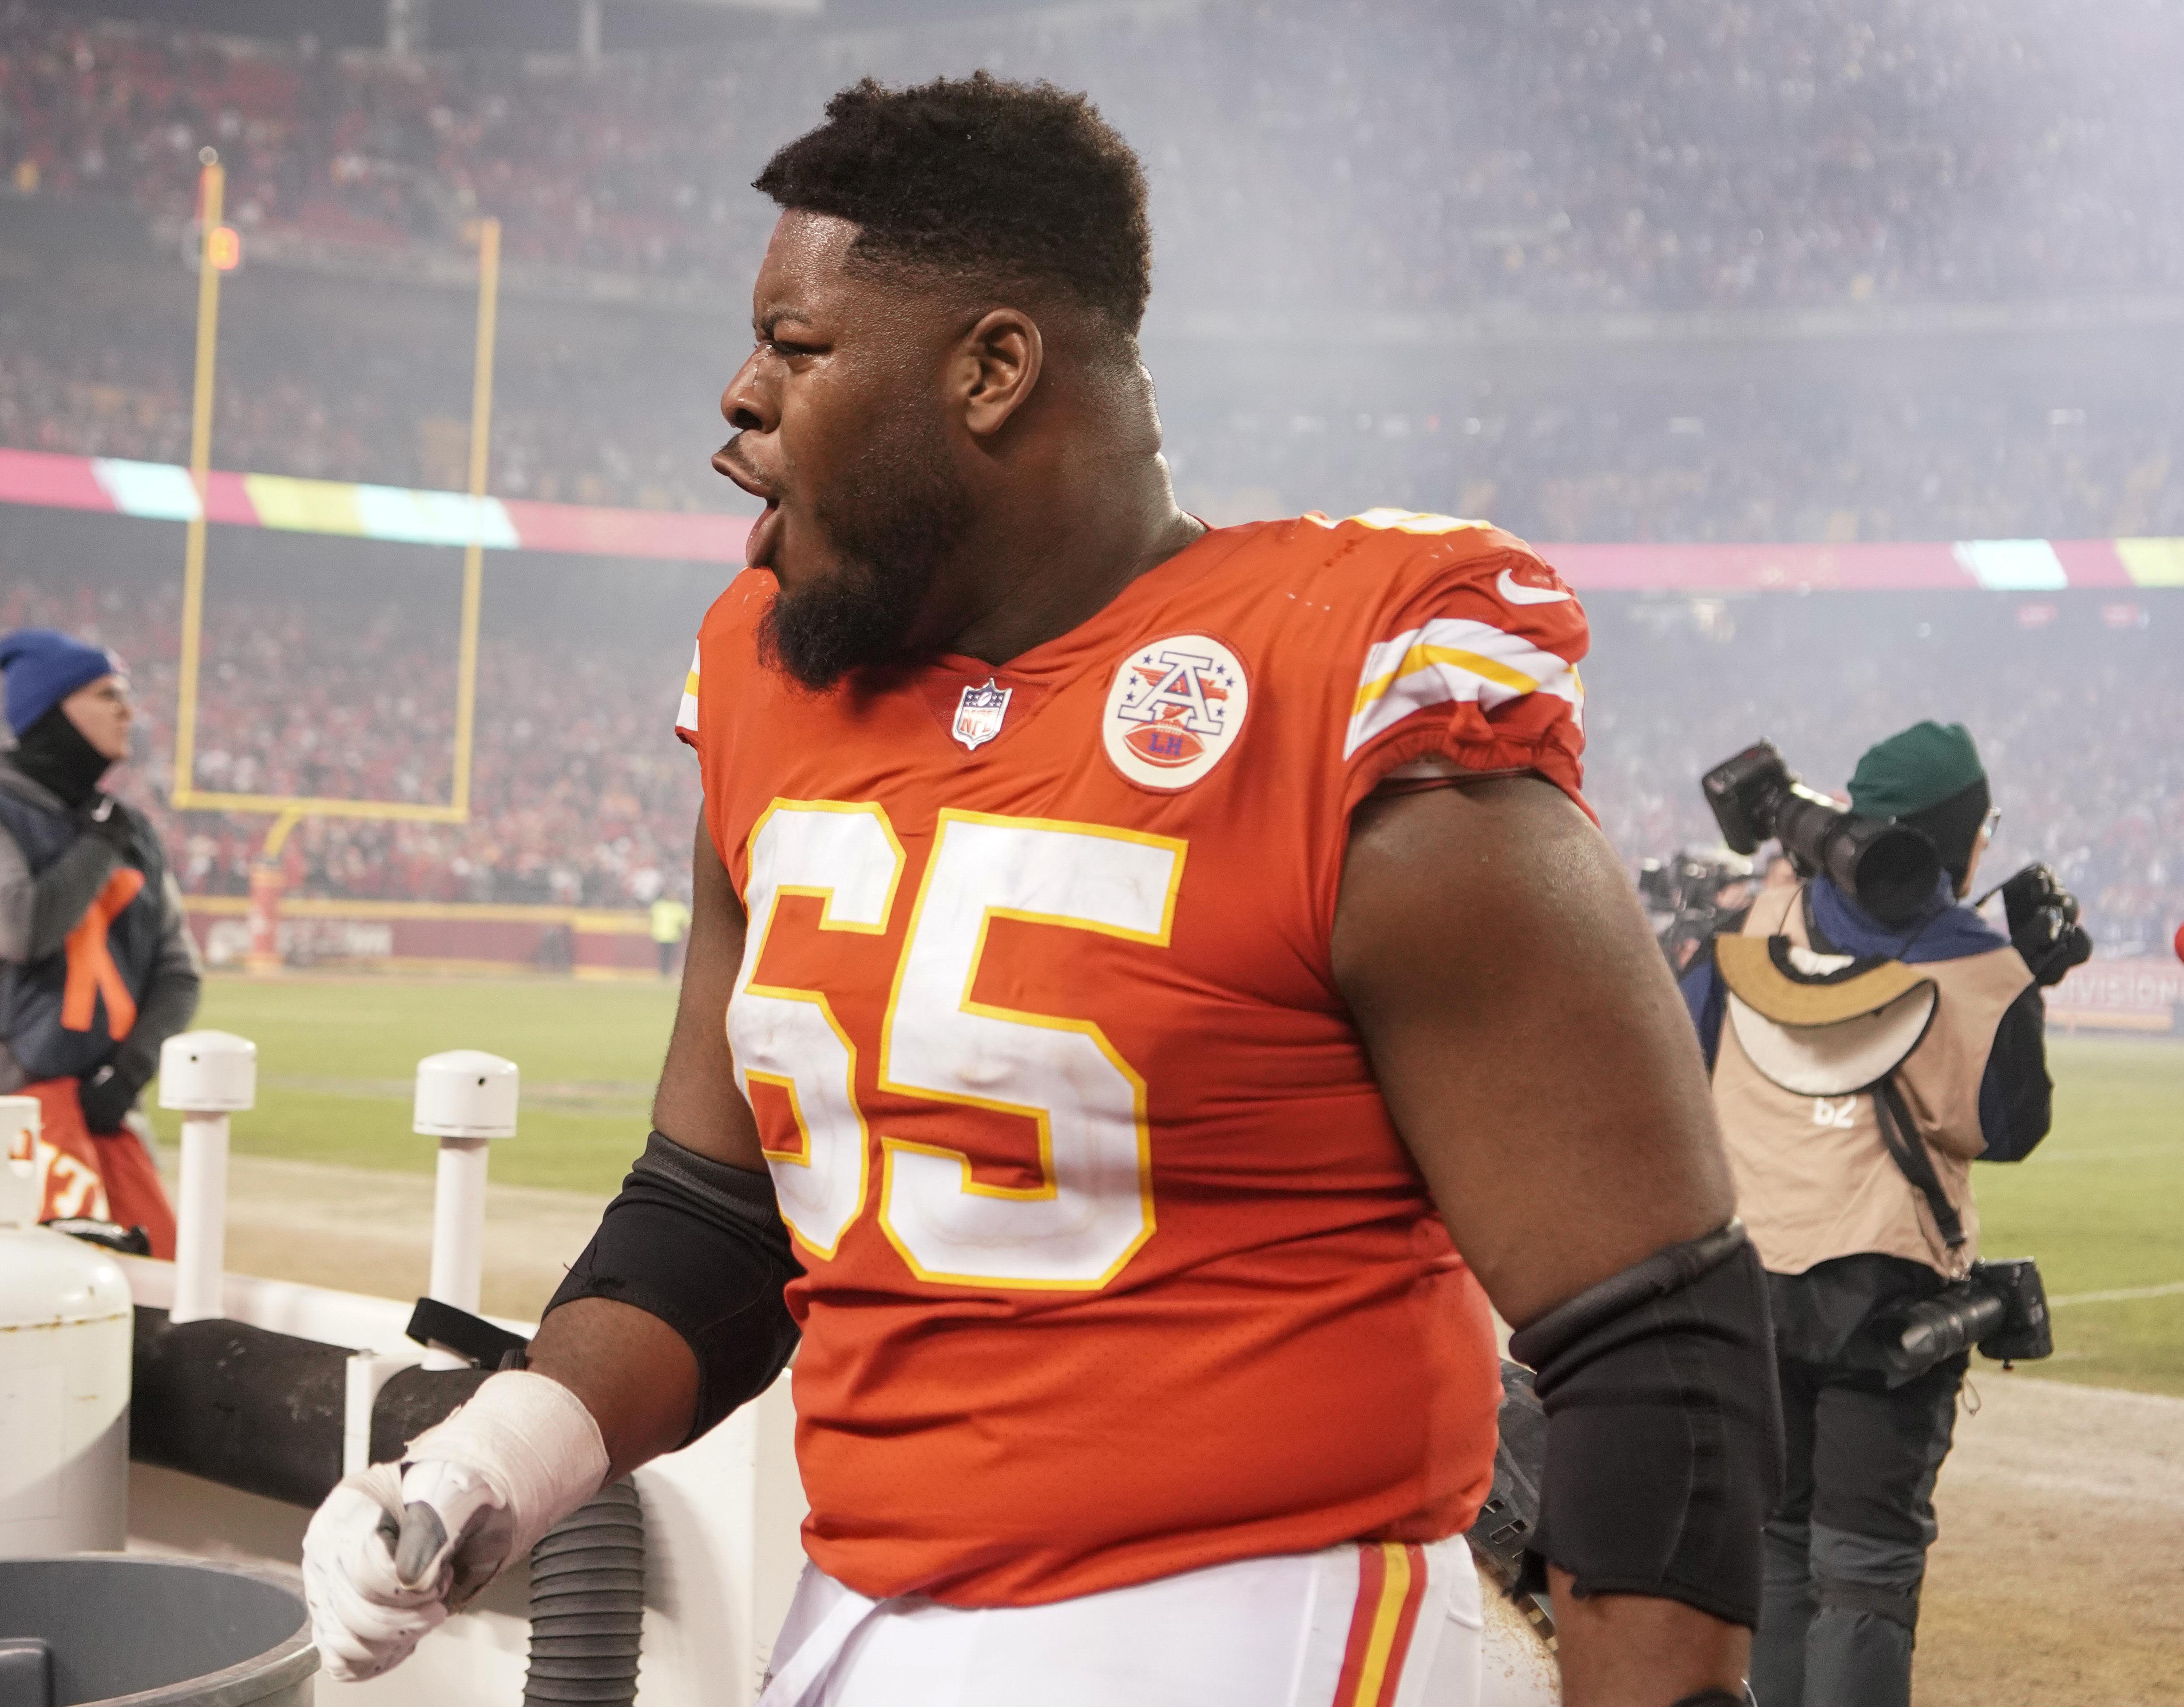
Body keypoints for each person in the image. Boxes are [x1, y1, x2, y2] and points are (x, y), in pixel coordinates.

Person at [304, 76, 1780, 1707]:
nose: (738, 399)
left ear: (994, 371)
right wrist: (493, 1457)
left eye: (795, 349)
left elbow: (1651, 1331)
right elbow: (719, 1212)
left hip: (1249, 1611)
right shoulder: (769, 680)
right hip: (859, 1605)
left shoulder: (1345, 692)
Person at [1678, 722, 2063, 1706]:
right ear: (1961, 838)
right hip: (1883, 1301)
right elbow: (2007, 1123)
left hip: (1748, 1284)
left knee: (1779, 1537)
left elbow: (1686, 1045)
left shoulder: (1758, 918)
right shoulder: (1976, 965)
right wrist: (2027, 973)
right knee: (1865, 1568)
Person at [0, 628, 199, 1255]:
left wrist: (127, 1073)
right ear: (55, 712)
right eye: (107, 695)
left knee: (140, 1286)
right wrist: (98, 846)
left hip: (106, 1110)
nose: (128, 710)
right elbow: (20, 928)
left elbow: (180, 972)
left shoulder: (130, 829)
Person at [647, 893, 691, 978]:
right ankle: (665, 973)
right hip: (669, 936)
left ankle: (665, 973)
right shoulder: (678, 907)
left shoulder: (660, 906)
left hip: (666, 936)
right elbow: (686, 922)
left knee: (665, 956)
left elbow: (651, 917)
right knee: (668, 956)